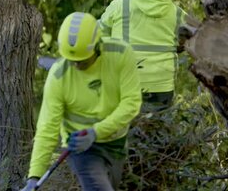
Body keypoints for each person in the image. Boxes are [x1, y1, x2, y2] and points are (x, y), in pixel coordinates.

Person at [21, 12, 142, 191]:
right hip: (80, 148)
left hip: (116, 142)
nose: (76, 66)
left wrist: (96, 132)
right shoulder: (58, 76)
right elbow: (47, 129)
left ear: (97, 47)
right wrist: (34, 176)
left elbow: (131, 103)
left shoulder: (121, 55)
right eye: (72, 61)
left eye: (82, 61)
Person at [99, 0, 187, 112]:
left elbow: (96, 35)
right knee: (158, 131)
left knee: (122, 129)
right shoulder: (177, 13)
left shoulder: (120, 5)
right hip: (162, 86)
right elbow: (198, 35)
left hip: (123, 83)